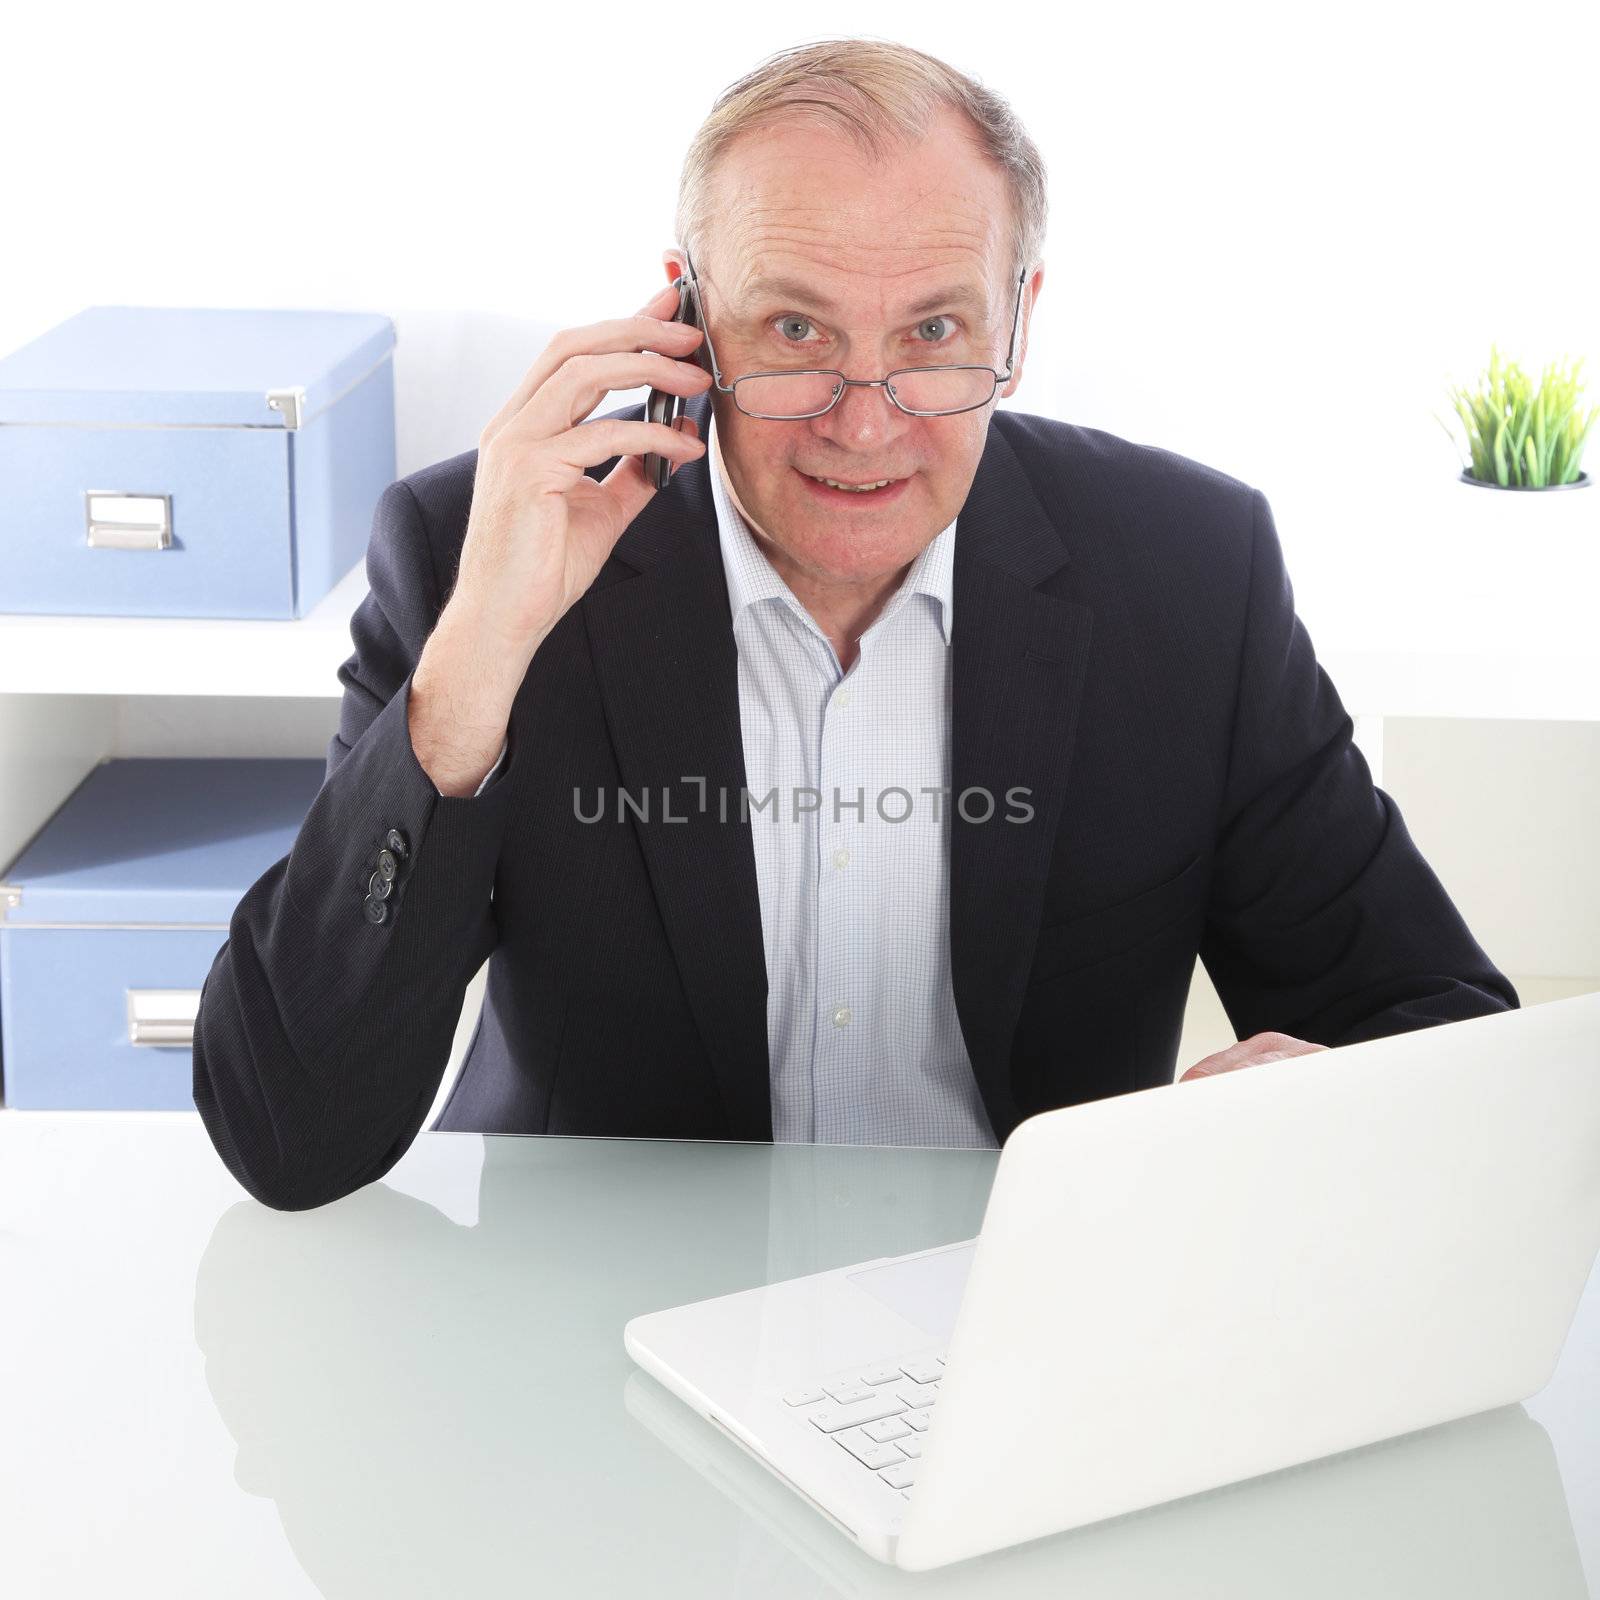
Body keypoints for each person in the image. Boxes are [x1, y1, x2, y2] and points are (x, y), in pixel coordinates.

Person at [193, 39, 1516, 1211]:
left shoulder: (1187, 571)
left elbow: (1440, 1027)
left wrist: (1321, 1095)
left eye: (935, 331)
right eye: (794, 330)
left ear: (1021, 318)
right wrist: (471, 671)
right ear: (688, 315)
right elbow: (287, 1139)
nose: (867, 423)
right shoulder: (482, 555)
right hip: (593, 1334)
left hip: (1014, 1322)